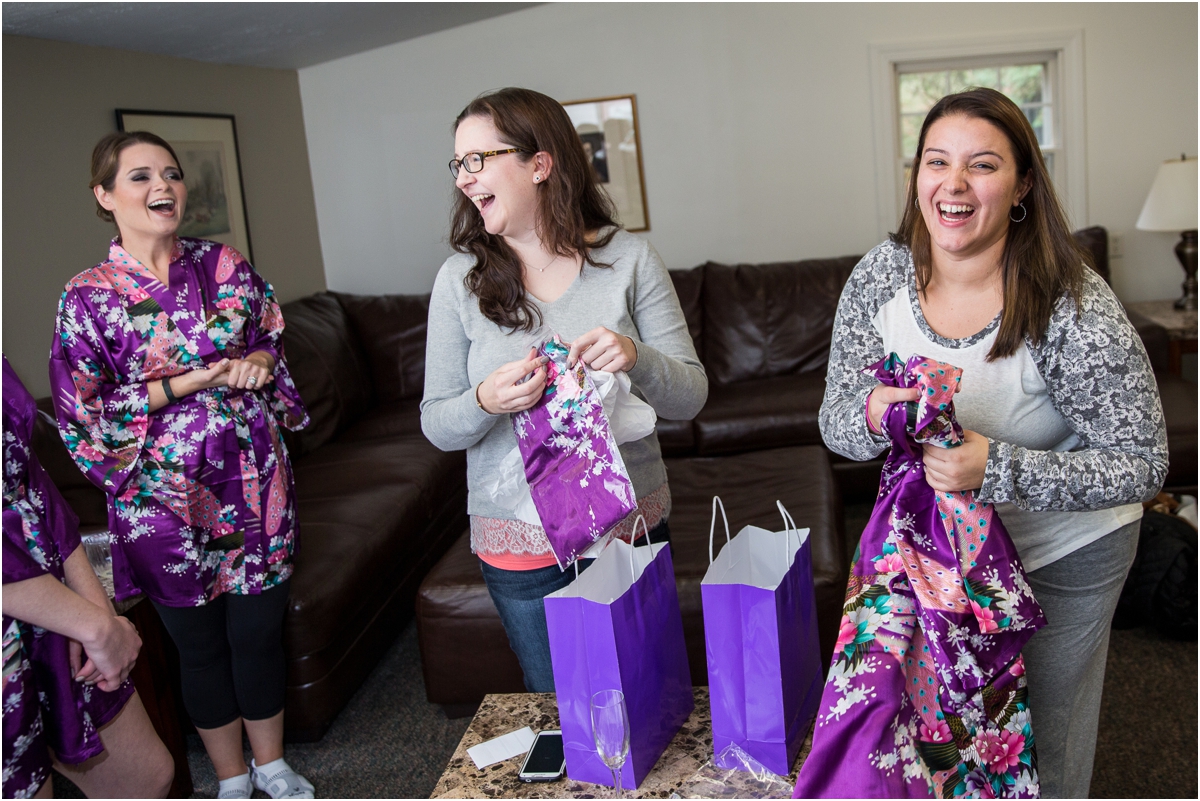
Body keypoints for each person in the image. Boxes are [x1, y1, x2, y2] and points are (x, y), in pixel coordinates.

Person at [819, 87, 1167, 797]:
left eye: (981, 165)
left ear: (1022, 186)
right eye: (936, 161)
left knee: (1039, 730)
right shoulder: (880, 276)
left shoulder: (1071, 300)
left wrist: (995, 466)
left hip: (1067, 549)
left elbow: (1143, 459)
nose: (953, 184)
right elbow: (834, 422)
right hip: (936, 548)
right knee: (936, 725)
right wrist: (874, 413)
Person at [49, 131, 315, 799]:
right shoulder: (86, 298)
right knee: (198, 646)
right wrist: (188, 383)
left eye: (170, 173)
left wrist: (257, 361)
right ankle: (230, 777)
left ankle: (273, 765)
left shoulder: (223, 264)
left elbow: (267, 336)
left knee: (257, 632)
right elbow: (82, 410)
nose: (162, 186)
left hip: (253, 483)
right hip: (160, 500)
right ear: (104, 196)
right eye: (139, 177)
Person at [421, 87, 708, 692]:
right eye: (458, 164)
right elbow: (436, 423)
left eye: (480, 159)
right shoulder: (457, 282)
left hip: (629, 528)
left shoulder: (629, 259)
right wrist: (485, 402)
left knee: (650, 697)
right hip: (520, 546)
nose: (465, 179)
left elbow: (691, 398)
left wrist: (638, 357)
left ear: (539, 163)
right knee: (570, 710)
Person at [3, 356, 174, 799]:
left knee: (146, 776)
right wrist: (93, 626)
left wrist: (98, 613)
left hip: (47, 597)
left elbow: (33, 485)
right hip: (17, 607)